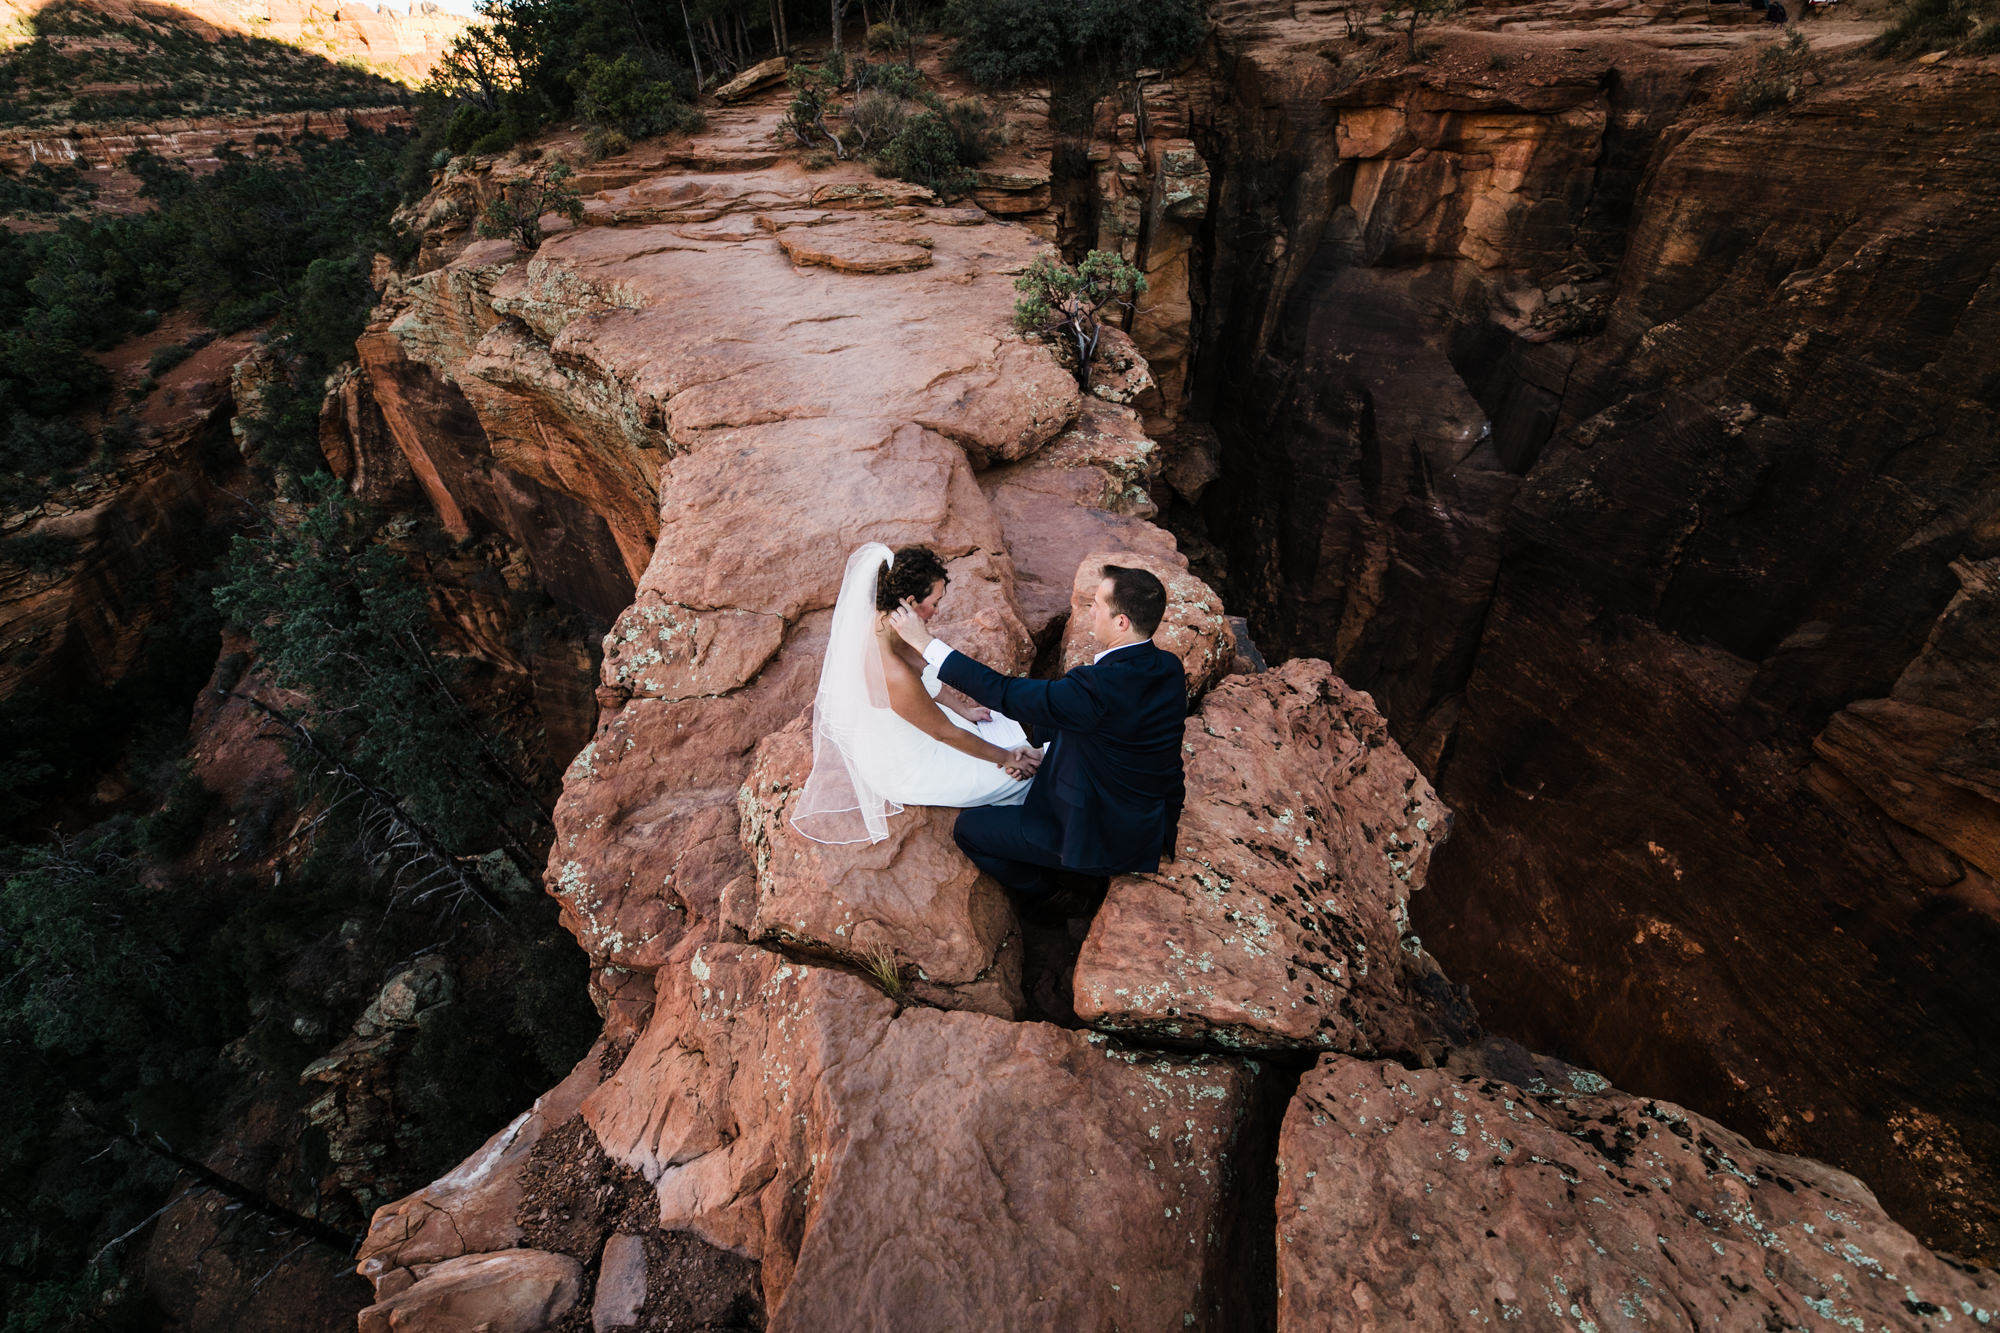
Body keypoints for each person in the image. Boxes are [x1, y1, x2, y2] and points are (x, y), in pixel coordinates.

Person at [888, 564, 1185, 913]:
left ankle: (1055, 898)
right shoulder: (1167, 667)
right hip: (1144, 820)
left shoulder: (1097, 687)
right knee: (1044, 733)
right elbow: (1115, 731)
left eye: (1097, 605)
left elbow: (1004, 692)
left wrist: (924, 642)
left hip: (1099, 835)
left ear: (1121, 622)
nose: (1090, 611)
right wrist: (1045, 751)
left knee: (970, 829)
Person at [790, 543, 1042, 845]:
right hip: (907, 765)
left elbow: (927, 686)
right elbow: (944, 733)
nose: (936, 612)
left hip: (917, 727)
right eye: (934, 603)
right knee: (1018, 776)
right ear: (910, 601)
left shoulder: (891, 626)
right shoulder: (891, 669)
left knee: (1004, 737)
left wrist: (964, 710)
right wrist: (1006, 758)